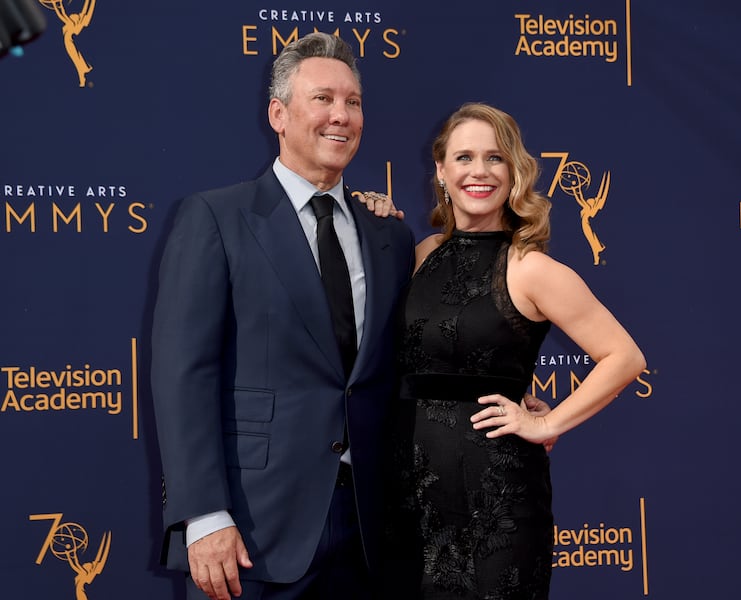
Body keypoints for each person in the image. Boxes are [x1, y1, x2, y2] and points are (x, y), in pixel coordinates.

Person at [150, 32, 415, 600]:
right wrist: (204, 516)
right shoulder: (216, 218)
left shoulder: (388, 233)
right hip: (253, 532)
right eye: (322, 99)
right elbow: (183, 374)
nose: (340, 116)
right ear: (279, 113)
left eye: (353, 102)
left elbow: (405, 369)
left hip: (372, 531)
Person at [385, 102, 646, 599]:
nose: (478, 172)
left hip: (496, 504)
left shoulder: (530, 268)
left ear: (515, 173)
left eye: (494, 158)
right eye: (464, 158)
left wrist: (548, 423)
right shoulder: (421, 253)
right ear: (440, 170)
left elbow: (624, 356)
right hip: (409, 499)